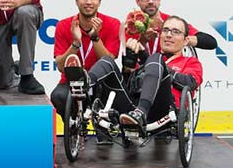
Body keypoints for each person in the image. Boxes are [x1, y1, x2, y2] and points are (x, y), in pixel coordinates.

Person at [64, 15, 203, 136]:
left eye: (176, 32)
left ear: (185, 40)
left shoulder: (191, 62)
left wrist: (160, 67)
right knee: (107, 61)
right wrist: (132, 63)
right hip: (131, 109)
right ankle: (85, 82)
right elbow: (128, 85)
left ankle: (141, 113)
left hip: (164, 111)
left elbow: (190, 83)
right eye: (165, 30)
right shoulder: (152, 61)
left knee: (156, 59)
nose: (168, 35)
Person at [50, 0, 121, 121]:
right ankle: (73, 127)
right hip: (72, 84)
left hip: (102, 84)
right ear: (76, 0)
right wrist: (76, 42)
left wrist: (95, 37)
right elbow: (61, 67)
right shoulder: (64, 25)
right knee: (58, 96)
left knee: (114, 96)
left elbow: (109, 62)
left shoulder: (113, 24)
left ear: (99, 1)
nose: (88, 2)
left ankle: (104, 132)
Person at [125, 0, 218, 53]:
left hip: (168, 72)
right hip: (140, 73)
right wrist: (143, 40)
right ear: (137, 1)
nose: (150, 1)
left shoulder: (170, 22)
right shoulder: (131, 23)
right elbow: (128, 56)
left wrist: (180, 38)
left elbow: (211, 42)